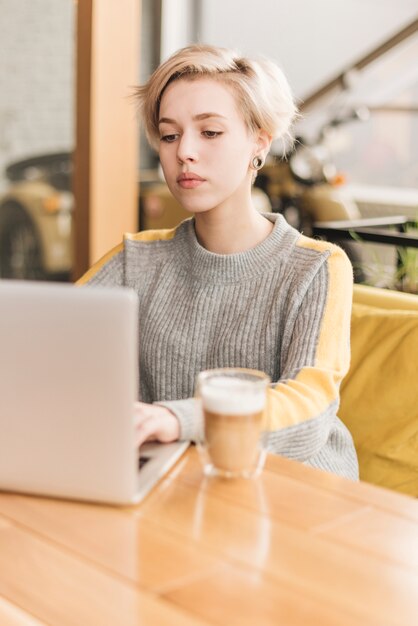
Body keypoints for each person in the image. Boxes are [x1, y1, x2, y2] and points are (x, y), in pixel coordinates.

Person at [78, 44, 358, 480]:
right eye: (169, 135)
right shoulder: (135, 261)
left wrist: (179, 419)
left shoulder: (317, 267)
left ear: (259, 142)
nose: (184, 151)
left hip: (298, 491)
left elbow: (309, 407)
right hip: (177, 484)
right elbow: (40, 345)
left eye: (210, 132)